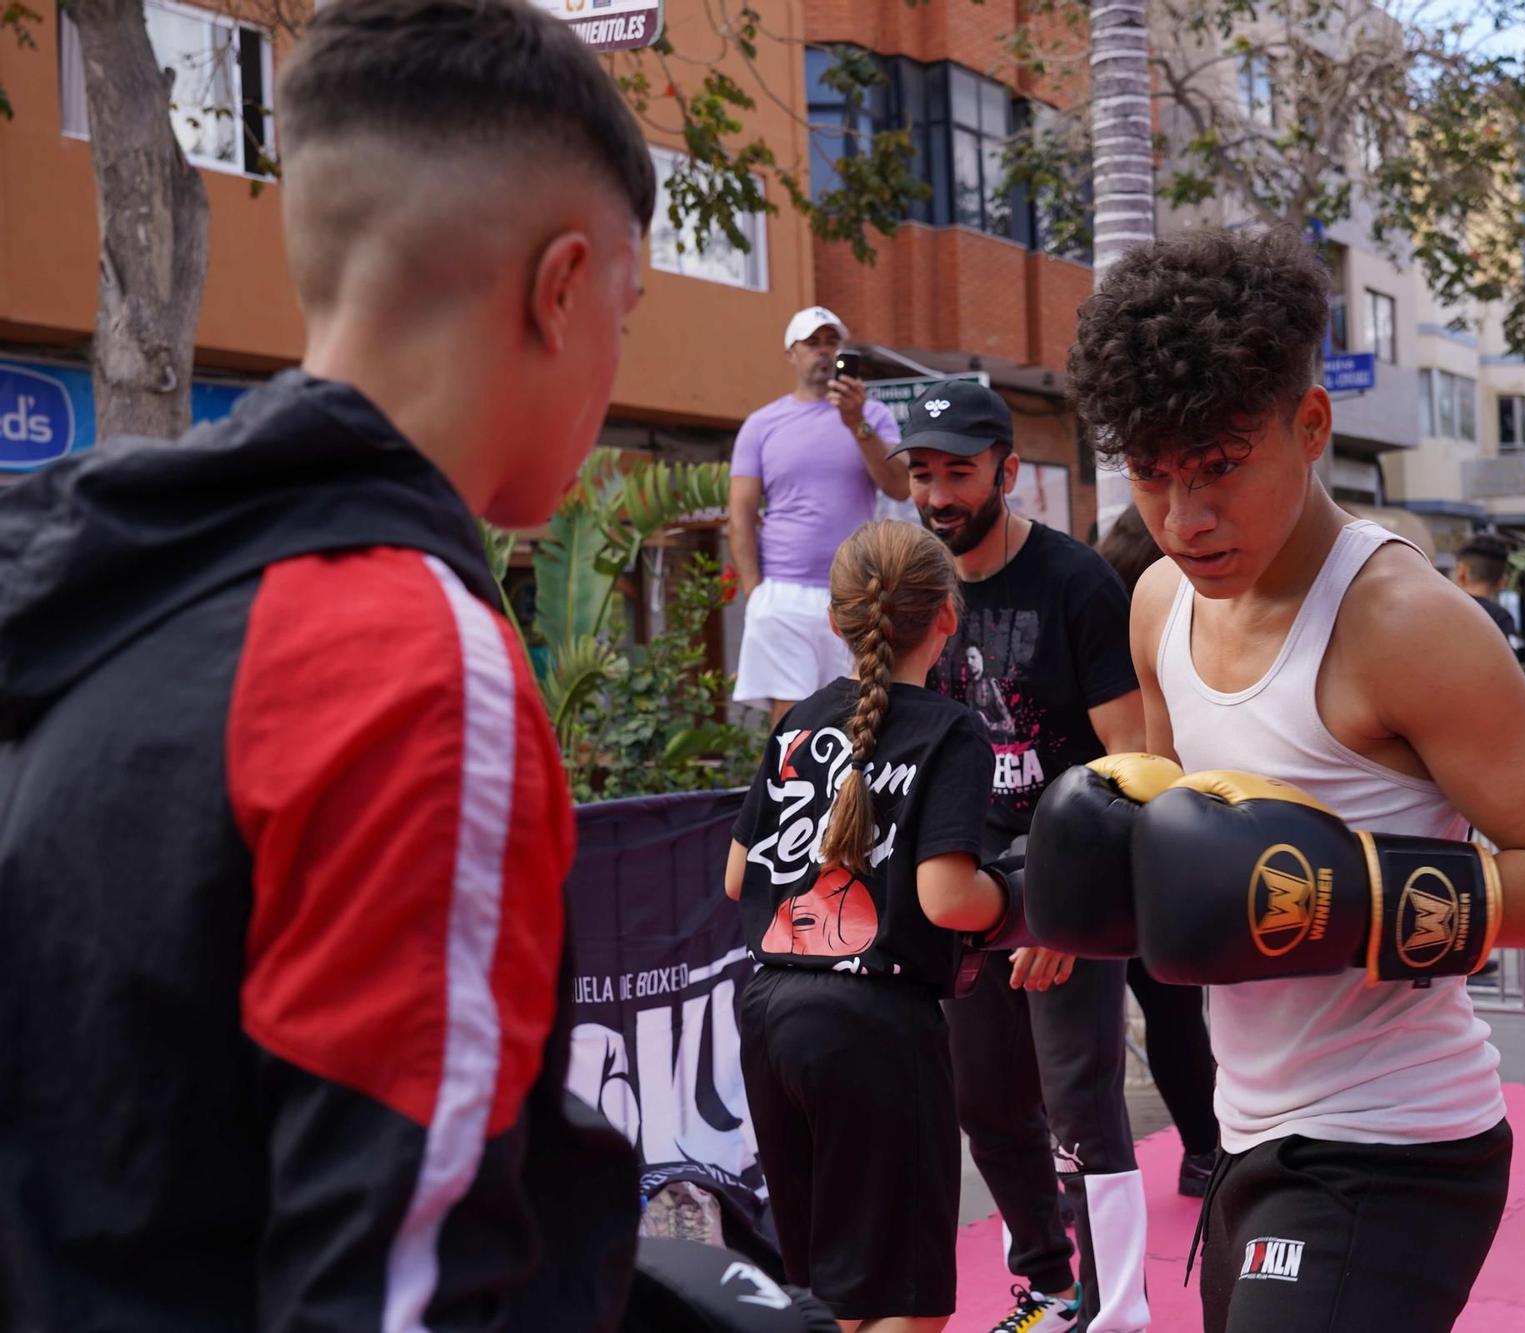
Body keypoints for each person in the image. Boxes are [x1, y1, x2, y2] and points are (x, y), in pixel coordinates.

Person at [0, 0, 662, 1325]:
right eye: (630, 310)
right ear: (563, 286)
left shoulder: (97, 580)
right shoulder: (414, 666)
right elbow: (396, 1282)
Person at [1058, 227, 1525, 1332]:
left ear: (1306, 426)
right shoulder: (1156, 606)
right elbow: (1197, 877)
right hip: (1247, 1129)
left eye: (1220, 465)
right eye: (1154, 476)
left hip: (1398, 1143)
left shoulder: (1401, 623)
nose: (1185, 518)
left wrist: (1349, 893)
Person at [893, 382, 1152, 1333]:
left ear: (1009, 470)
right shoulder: (922, 586)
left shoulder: (1078, 581)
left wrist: (1063, 906)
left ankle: (1114, 1312)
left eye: (959, 472)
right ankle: (1046, 1286)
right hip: (962, 883)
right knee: (987, 1104)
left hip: (1070, 872)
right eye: (923, 475)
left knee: (1080, 1102)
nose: (939, 495)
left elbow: (1134, 757)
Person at [726, 520, 1022, 1333]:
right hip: (874, 1023)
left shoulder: (796, 724)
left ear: (835, 621)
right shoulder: (951, 727)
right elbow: (946, 898)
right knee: (904, 1297)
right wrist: (1023, 901)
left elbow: (733, 876)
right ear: (947, 618)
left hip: (771, 1011)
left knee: (832, 1288)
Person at [1094, 506, 1223, 1197]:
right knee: (1170, 1006)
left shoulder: (1093, 607)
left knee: (1083, 1027)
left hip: (1090, 832)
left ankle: (1080, 1164)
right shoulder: (1162, 616)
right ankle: (1203, 1148)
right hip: (1142, 832)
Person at [729, 307, 908, 725]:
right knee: (791, 717)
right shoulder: (761, 425)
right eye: (813, 343)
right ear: (791, 353)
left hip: (857, 592)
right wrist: (755, 591)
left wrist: (856, 423)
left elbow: (899, 486)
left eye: (832, 342)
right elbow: (740, 514)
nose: (824, 352)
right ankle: (787, 792)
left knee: (859, 710)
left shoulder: (873, 416)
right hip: (783, 594)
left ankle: (853, 794)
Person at [1452, 533, 1525, 666]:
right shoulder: (1501, 618)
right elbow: (1511, 666)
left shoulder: (1441, 611)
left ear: (1461, 571)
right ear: (1502, 582)